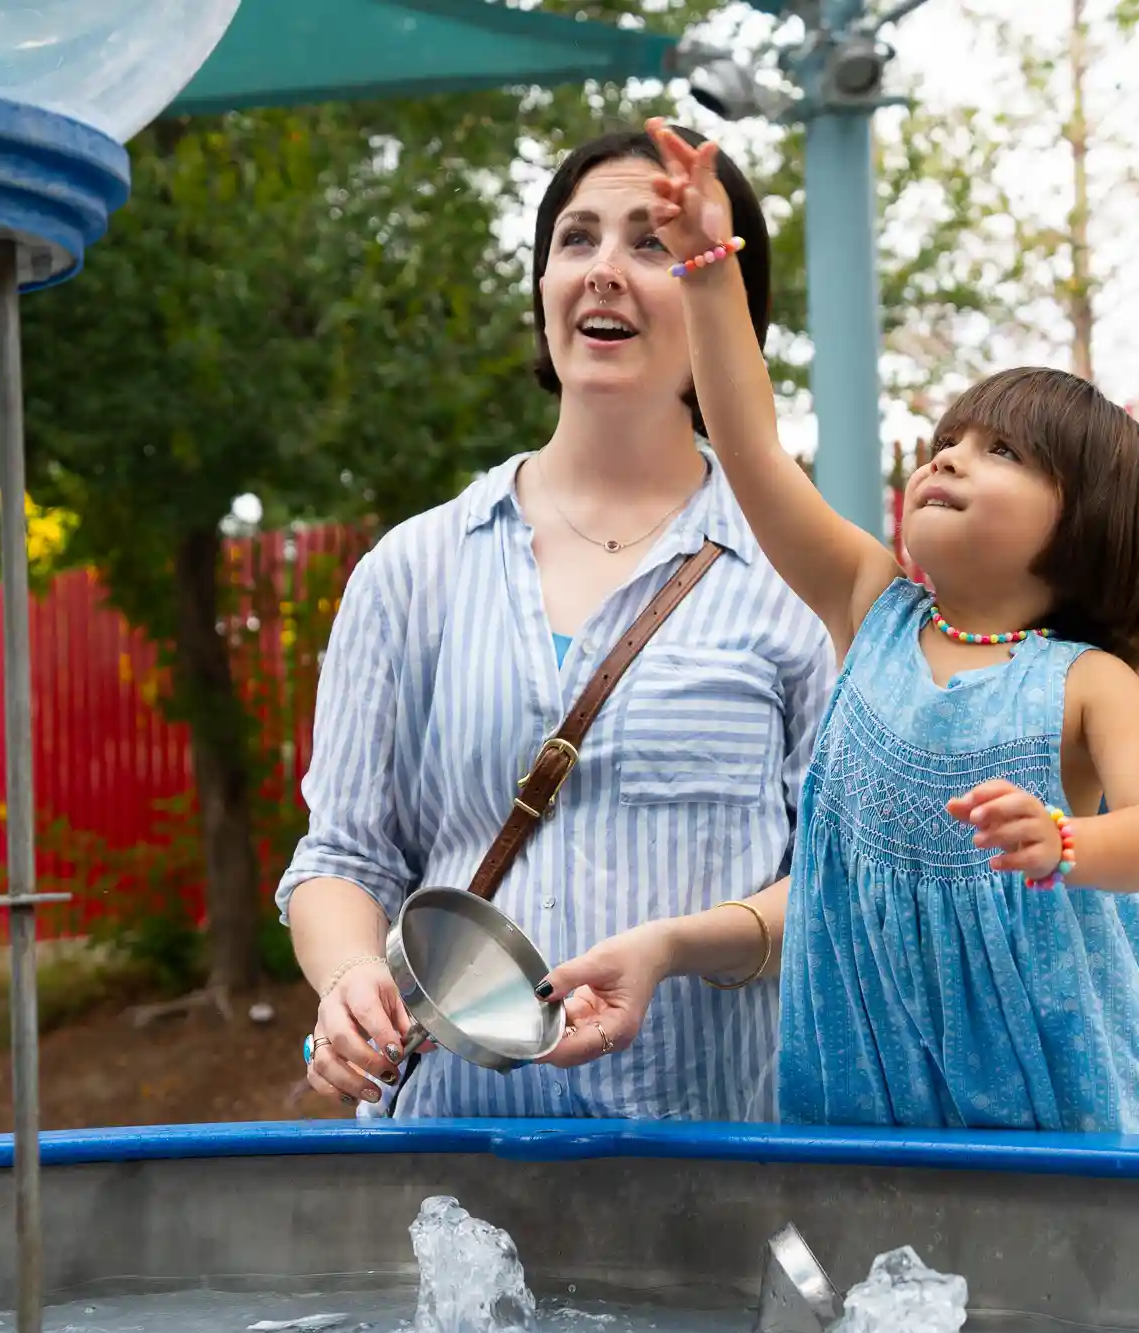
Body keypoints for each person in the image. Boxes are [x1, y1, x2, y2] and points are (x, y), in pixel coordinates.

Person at [537, 121, 1139, 1137]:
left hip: (1057, 1080)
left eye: (1000, 452)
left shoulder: (1085, 680)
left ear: (1089, 523)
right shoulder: (869, 608)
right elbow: (750, 448)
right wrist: (707, 269)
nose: (946, 457)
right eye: (947, 439)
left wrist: (1065, 840)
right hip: (873, 1075)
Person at [279, 125, 834, 1122]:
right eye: (576, 239)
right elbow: (342, 859)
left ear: (722, 299)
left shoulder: (801, 581)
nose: (603, 269)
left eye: (653, 243)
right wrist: (349, 977)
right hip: (448, 1155)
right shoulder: (412, 568)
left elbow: (842, 887)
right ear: (543, 287)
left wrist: (675, 946)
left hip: (713, 1155)